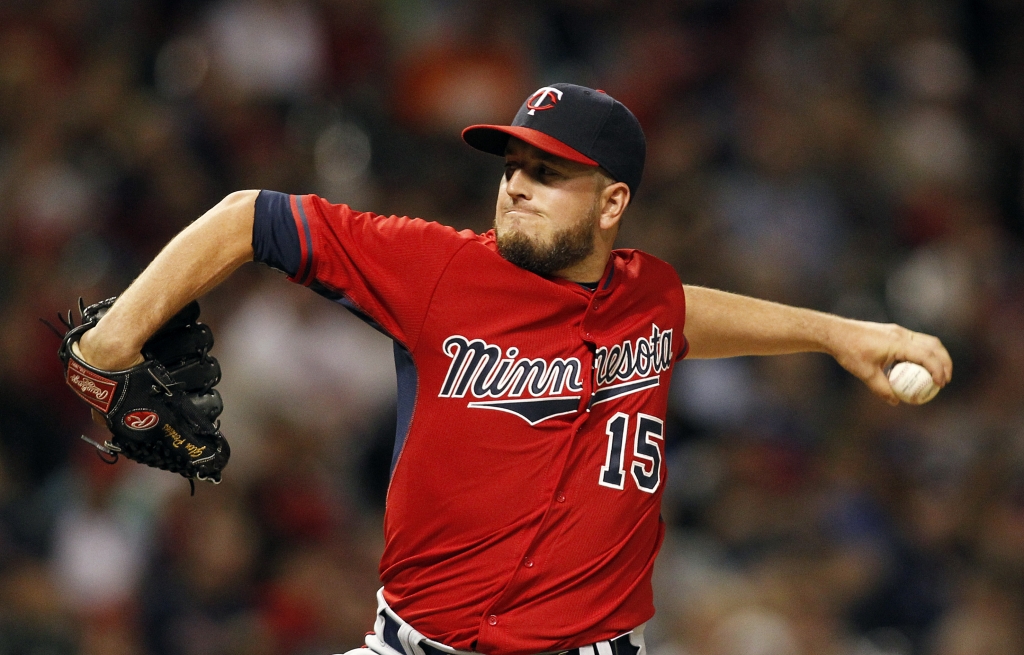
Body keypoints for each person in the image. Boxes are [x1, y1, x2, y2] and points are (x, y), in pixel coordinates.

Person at [75, 84, 952, 655]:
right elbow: (247, 217)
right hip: (411, 642)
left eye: (550, 171)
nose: (517, 185)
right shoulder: (438, 268)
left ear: (613, 203)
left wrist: (839, 333)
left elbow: (684, 315)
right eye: (514, 166)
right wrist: (110, 348)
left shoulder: (647, 295)